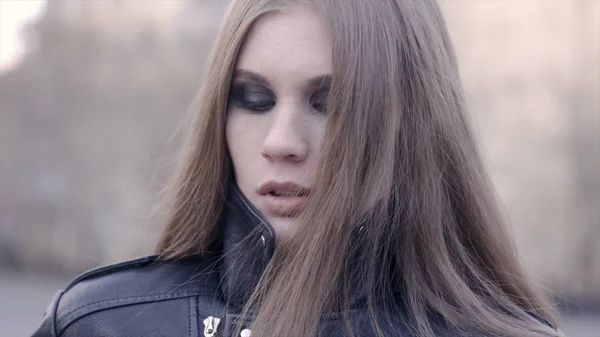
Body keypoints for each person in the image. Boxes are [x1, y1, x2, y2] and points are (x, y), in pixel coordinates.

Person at [32, 0, 563, 336]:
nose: (282, 143)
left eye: (330, 104)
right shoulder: (101, 322)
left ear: (413, 125)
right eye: (254, 98)